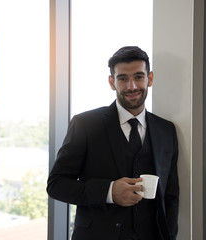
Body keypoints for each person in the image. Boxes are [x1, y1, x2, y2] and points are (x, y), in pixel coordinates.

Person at [47, 46, 179, 240]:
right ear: (112, 82)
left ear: (150, 78)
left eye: (139, 77)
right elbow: (56, 184)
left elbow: (170, 196)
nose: (132, 86)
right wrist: (109, 192)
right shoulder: (85, 124)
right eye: (123, 78)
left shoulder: (166, 130)